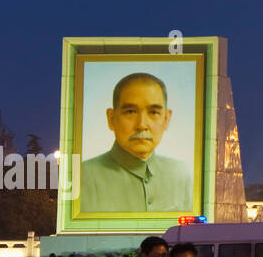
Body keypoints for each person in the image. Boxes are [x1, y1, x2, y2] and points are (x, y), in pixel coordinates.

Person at [79, 72, 193, 213]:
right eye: (131, 112)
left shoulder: (181, 175)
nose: (142, 124)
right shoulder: (83, 176)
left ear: (166, 119)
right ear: (111, 118)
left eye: (153, 112)